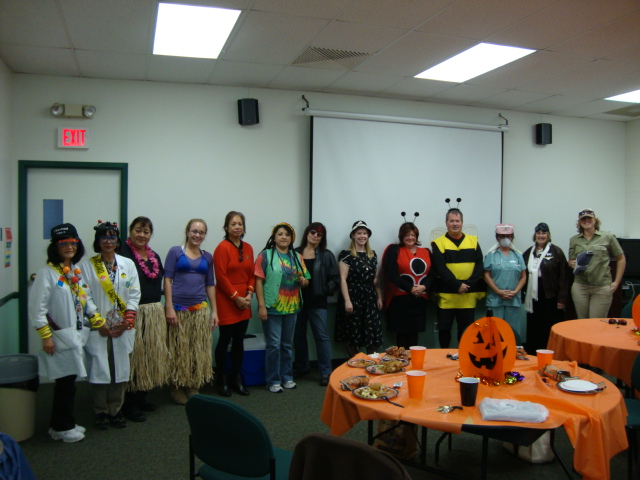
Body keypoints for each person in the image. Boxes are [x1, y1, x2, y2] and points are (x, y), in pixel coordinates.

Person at [29, 223, 108, 443]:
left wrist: (97, 319)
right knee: (64, 384)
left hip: (75, 336)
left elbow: (85, 298)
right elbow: (38, 310)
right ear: (55, 247)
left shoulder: (74, 269)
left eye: (72, 242)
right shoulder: (47, 273)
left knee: (69, 382)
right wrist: (46, 337)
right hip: (59, 338)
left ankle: (62, 425)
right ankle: (62, 427)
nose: (69, 247)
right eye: (63, 243)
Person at [81, 221, 140, 430]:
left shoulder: (127, 264)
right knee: (100, 368)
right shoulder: (87, 266)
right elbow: (84, 296)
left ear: (117, 241)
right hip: (100, 327)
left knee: (120, 369)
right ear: (98, 241)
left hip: (123, 326)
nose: (108, 241)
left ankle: (116, 409)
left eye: (112, 238)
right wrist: (98, 322)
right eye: (104, 238)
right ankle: (101, 412)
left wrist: (127, 320)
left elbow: (134, 293)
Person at [164, 218, 218, 404]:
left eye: (201, 232)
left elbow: (210, 285)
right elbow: (167, 279)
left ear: (204, 235)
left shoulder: (207, 257)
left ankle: (193, 386)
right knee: (178, 350)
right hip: (178, 311)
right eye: (194, 231)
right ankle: (176, 386)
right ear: (187, 232)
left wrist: (214, 311)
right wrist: (169, 307)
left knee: (197, 350)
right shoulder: (175, 252)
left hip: (199, 311)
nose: (197, 235)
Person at [119, 216, 167, 421]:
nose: (142, 235)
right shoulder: (121, 254)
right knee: (133, 358)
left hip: (153, 312)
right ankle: (127, 404)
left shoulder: (153, 255)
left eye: (146, 231)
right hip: (133, 313)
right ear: (130, 231)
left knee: (148, 356)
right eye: (138, 230)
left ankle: (141, 396)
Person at [254, 223, 310, 393]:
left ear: (291, 238)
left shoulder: (297, 257)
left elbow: (306, 279)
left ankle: (287, 377)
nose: (284, 237)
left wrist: (303, 281)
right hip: (272, 307)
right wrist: (262, 306)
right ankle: (273, 380)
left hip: (292, 307)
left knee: (286, 344)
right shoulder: (266, 255)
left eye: (287, 234)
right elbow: (258, 281)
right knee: (274, 345)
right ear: (274, 237)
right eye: (280, 234)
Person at [213, 211, 255, 397]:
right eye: (233, 224)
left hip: (244, 301)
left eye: (240, 224)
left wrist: (249, 294)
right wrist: (236, 297)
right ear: (226, 228)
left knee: (239, 341)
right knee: (224, 340)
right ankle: (221, 379)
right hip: (227, 300)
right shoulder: (222, 248)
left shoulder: (248, 248)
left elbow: (252, 274)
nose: (237, 227)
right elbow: (221, 277)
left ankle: (236, 378)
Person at [431, 208, 485, 348]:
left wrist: (467, 284)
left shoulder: (473, 241)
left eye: (457, 221)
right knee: (444, 329)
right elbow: (440, 268)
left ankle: (464, 359)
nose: (455, 224)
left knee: (466, 330)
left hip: (467, 294)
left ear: (462, 223)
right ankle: (443, 358)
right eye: (451, 221)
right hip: (446, 296)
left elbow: (479, 265)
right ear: (446, 223)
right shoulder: (438, 243)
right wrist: (456, 285)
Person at [293, 222, 339, 386]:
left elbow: (335, 279)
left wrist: (324, 290)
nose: (315, 236)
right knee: (298, 336)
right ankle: (302, 367)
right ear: (307, 233)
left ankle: (326, 371)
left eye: (319, 234)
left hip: (318, 302)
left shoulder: (326, 255)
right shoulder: (295, 253)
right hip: (296, 302)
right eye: (313, 232)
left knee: (321, 336)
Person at [382, 221, 435, 349]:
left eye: (413, 235)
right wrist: (410, 288)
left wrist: (424, 287)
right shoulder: (394, 250)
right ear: (401, 237)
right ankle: (401, 363)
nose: (410, 238)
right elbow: (391, 273)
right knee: (402, 334)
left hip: (419, 299)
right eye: (407, 235)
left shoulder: (426, 251)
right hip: (400, 300)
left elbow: (433, 274)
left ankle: (412, 363)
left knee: (414, 333)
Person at [335, 221, 383, 357]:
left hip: (369, 297)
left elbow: (376, 280)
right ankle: (356, 362)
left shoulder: (372, 255)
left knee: (371, 331)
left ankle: (371, 362)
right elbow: (343, 279)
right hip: (353, 295)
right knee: (352, 331)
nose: (362, 236)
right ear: (353, 236)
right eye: (359, 233)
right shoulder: (346, 254)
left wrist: (379, 296)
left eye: (365, 233)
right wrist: (347, 301)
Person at [568, 208, 626, 319]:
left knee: (596, 323)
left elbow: (621, 259)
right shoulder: (574, 240)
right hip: (580, 286)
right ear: (580, 222)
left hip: (601, 287)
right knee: (582, 323)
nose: (586, 221)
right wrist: (571, 263)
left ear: (595, 220)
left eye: (589, 218)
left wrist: (616, 282)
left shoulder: (607, 237)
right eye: (583, 219)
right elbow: (570, 260)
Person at [522, 223, 571, 352]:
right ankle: (533, 352)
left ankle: (547, 353)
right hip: (532, 296)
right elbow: (522, 275)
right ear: (535, 235)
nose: (541, 236)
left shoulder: (557, 252)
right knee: (533, 325)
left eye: (544, 233)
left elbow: (564, 277)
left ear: (548, 236)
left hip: (550, 296)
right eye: (538, 233)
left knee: (547, 326)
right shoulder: (528, 253)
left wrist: (562, 299)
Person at [483, 224, 527, 342]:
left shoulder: (518, 255)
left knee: (512, 333)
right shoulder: (491, 255)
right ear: (497, 237)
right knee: (494, 332)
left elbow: (523, 276)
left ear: (512, 237)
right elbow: (486, 275)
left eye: (508, 236)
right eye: (502, 236)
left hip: (513, 299)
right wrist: (498, 291)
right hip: (495, 300)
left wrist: (516, 291)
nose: (505, 239)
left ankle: (512, 355)